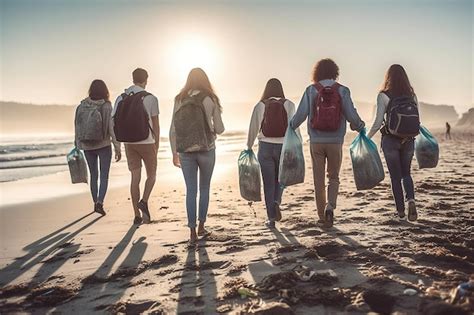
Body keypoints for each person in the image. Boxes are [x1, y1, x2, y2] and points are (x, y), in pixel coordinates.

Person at [290, 58, 365, 228]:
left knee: (318, 180)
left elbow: (300, 116)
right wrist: (359, 126)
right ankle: (330, 206)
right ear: (335, 72)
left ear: (316, 72)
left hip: (316, 142)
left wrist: (290, 127)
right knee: (334, 177)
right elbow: (351, 114)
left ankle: (321, 217)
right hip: (335, 141)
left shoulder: (311, 90)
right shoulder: (343, 90)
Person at [170, 68, 225, 244]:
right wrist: (211, 128)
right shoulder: (210, 98)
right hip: (207, 148)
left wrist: (174, 152)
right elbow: (220, 128)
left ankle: (192, 231)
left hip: (185, 150)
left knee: (191, 191)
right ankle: (202, 225)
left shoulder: (179, 99)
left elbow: (173, 129)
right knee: (205, 188)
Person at [367, 64, 418, 221]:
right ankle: (411, 200)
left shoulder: (383, 95)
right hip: (409, 140)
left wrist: (366, 138)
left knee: (395, 177)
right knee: (406, 173)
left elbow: (377, 122)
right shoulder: (412, 95)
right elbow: (417, 119)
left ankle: (401, 213)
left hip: (390, 140)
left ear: (388, 77)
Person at [247, 78, 296, 228]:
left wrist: (249, 147)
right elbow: (294, 127)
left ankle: (271, 219)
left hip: (265, 147)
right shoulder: (289, 104)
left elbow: (253, 128)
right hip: (284, 146)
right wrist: (296, 146)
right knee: (281, 180)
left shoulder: (260, 105)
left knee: (268, 184)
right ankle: (276, 201)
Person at [112, 68, 160, 225]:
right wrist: (157, 145)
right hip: (147, 141)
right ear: (146, 80)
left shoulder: (121, 97)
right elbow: (156, 125)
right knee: (151, 175)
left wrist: (117, 144)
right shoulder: (151, 98)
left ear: (133, 79)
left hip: (129, 143)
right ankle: (144, 201)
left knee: (135, 178)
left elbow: (114, 122)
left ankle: (136, 215)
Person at [75, 79, 121, 215]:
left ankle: (95, 202)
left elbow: (77, 126)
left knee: (93, 175)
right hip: (103, 145)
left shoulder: (82, 106)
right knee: (104, 175)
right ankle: (100, 202)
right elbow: (111, 127)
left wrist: (77, 144)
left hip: (87, 145)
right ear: (105, 91)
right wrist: (117, 147)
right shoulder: (106, 106)